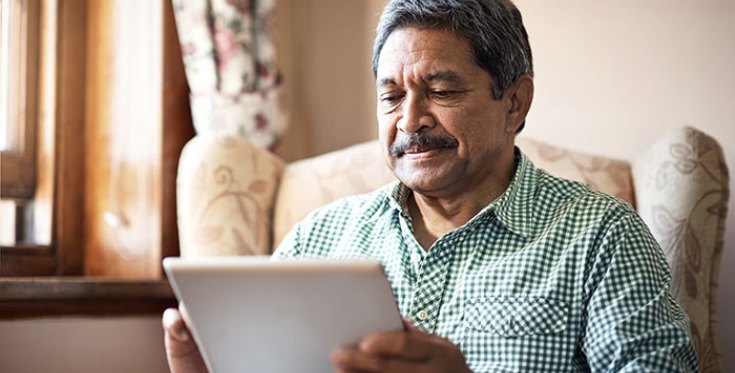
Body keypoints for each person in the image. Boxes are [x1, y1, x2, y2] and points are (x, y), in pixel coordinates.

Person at [163, 0, 699, 371]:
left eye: (440, 90)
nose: (410, 120)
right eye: (391, 97)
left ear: (514, 102)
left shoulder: (601, 237)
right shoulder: (320, 238)